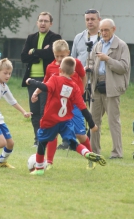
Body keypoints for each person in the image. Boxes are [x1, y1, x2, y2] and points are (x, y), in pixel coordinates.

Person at [26, 56, 106, 176]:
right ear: (73, 72)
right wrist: (92, 124)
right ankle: (86, 153)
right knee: (73, 143)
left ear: (60, 70)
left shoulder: (54, 79)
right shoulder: (74, 87)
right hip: (65, 121)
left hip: (50, 120)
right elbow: (83, 108)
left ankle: (39, 169)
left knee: (42, 142)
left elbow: (44, 87)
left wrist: (31, 81)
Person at [31, 40, 95, 170]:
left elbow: (83, 76)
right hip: (57, 106)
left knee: (80, 134)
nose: (60, 59)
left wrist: (80, 92)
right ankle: (49, 162)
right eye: (57, 56)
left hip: (74, 104)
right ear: (53, 54)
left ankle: (90, 158)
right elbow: (45, 82)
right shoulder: (50, 67)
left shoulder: (74, 63)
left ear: (68, 53)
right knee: (52, 133)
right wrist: (36, 93)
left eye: (62, 56)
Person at [89, 18, 130, 159]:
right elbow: (91, 61)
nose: (104, 33)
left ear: (114, 29)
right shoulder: (97, 45)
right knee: (93, 120)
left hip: (112, 86)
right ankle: (94, 151)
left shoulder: (122, 46)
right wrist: (87, 68)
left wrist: (108, 60)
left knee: (113, 121)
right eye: (102, 30)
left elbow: (124, 68)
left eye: (106, 30)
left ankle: (117, 153)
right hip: (96, 86)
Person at [21, 11, 61, 147]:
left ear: (51, 23)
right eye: (41, 21)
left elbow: (50, 55)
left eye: (46, 21)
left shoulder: (55, 37)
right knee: (35, 111)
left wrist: (33, 51)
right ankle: (37, 139)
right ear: (37, 23)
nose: (43, 23)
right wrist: (40, 53)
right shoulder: (31, 37)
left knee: (45, 110)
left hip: (47, 80)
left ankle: (46, 139)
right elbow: (23, 57)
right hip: (31, 79)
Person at [71, 9, 102, 106]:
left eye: (93, 19)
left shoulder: (104, 37)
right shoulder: (78, 37)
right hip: (80, 80)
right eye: (87, 19)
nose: (90, 22)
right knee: (78, 111)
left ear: (99, 20)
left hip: (97, 81)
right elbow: (73, 59)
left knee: (94, 114)